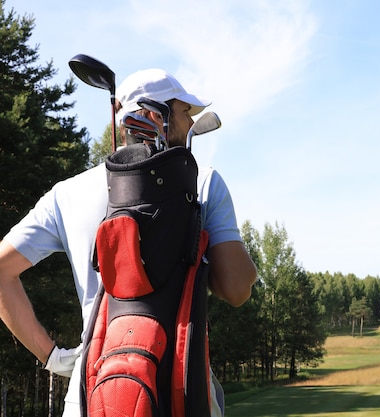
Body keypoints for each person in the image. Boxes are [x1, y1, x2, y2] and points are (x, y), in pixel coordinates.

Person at [0, 68, 258, 416]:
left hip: (91, 394)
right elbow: (237, 288)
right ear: (155, 116)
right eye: (184, 112)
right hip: (181, 390)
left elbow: (1, 271)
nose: (189, 123)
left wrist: (53, 357)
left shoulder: (66, 193)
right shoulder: (203, 182)